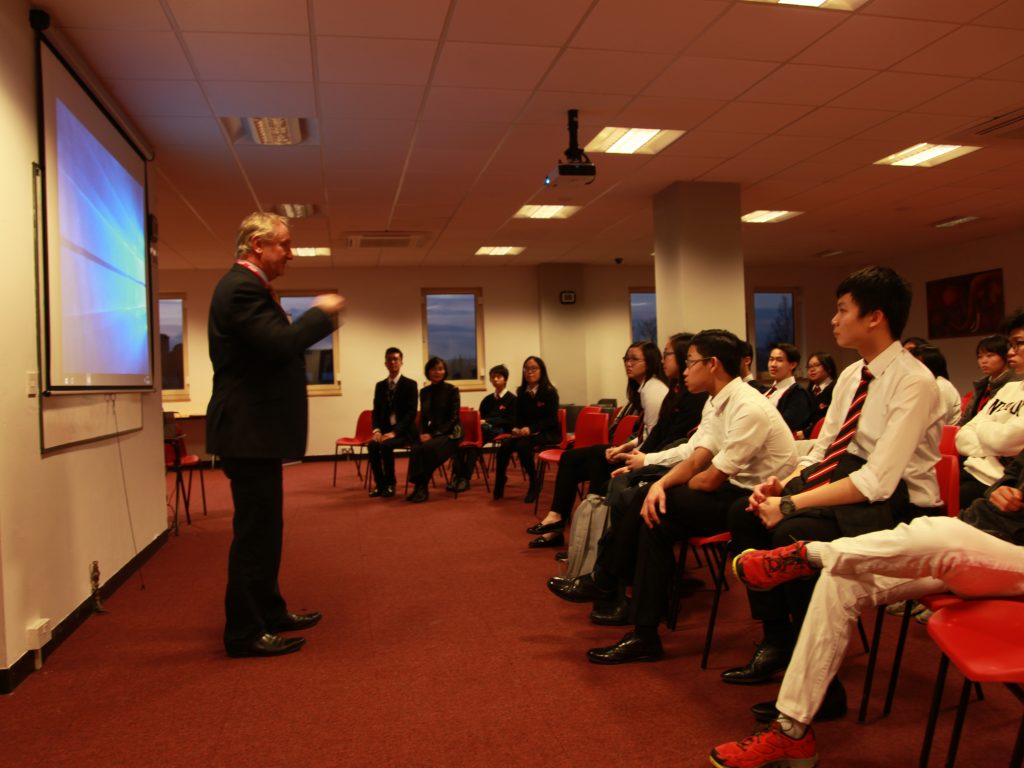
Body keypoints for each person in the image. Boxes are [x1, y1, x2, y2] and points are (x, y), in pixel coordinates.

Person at [724, 266, 944, 721]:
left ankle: (822, 688)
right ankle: (778, 643)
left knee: (794, 534)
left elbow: (878, 482)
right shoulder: (853, 376)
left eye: (842, 310)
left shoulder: (914, 382)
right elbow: (826, 450)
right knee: (744, 514)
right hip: (850, 480)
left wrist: (789, 503)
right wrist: (781, 484)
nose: (833, 319)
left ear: (875, 317)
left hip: (900, 506)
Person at [709, 451, 1024, 768]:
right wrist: (999, 490)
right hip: (975, 540)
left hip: (1013, 558)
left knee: (946, 534)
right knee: (841, 579)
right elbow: (1002, 482)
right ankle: (792, 732)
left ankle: (810, 555)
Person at [548, 330, 799, 664]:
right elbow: (696, 458)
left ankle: (605, 580)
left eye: (691, 362)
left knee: (647, 504)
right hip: (730, 489)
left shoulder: (748, 406)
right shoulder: (717, 400)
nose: (684, 369)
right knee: (654, 516)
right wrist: (661, 486)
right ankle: (644, 633)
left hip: (754, 500)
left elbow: (709, 480)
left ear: (712, 365)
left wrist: (667, 489)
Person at [207, 212, 344, 658]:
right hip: (247, 432)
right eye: (283, 244)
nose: (290, 252)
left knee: (267, 530)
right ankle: (244, 633)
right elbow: (280, 344)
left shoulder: (249, 287)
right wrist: (320, 314)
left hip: (255, 433)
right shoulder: (240, 288)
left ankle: (269, 611)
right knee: (255, 534)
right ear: (256, 245)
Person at [526, 342, 667, 549]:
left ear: (651, 362)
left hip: (648, 461)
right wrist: (622, 448)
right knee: (570, 459)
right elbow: (646, 435)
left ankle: (588, 541)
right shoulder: (643, 388)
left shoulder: (653, 390)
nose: (628, 364)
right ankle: (556, 522)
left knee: (596, 458)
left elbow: (654, 440)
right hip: (639, 452)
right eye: (626, 359)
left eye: (634, 359)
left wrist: (627, 453)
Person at [956, 310, 1024, 508]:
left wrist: (983, 425)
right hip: (971, 470)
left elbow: (1005, 439)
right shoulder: (1009, 388)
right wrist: (993, 445)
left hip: (1000, 485)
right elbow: (962, 436)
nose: (1011, 352)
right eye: (1010, 345)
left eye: (1018, 343)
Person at [493, 357, 560, 503]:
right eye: (526, 369)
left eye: (534, 369)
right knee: (505, 446)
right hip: (527, 433)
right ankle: (500, 481)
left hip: (547, 432)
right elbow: (519, 416)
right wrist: (516, 428)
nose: (529, 372)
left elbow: (551, 420)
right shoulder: (522, 392)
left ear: (541, 371)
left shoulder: (549, 392)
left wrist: (531, 429)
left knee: (523, 446)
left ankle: (534, 482)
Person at [449, 365, 516, 492]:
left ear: (505, 379)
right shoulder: (487, 399)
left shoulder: (512, 399)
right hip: (484, 429)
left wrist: (489, 421)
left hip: (501, 429)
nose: (495, 379)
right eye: (493, 377)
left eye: (499, 377)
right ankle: (458, 477)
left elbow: (511, 421)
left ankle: (464, 479)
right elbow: (480, 417)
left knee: (474, 444)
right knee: (460, 441)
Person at [406, 357, 461, 503]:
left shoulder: (452, 390)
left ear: (445, 371)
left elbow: (453, 419)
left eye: (440, 369)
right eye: (434, 369)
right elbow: (423, 417)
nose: (437, 372)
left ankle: (422, 487)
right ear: (428, 371)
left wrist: (433, 434)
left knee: (428, 449)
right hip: (432, 432)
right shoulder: (424, 392)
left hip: (451, 432)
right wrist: (423, 433)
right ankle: (418, 486)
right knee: (416, 448)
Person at [366, 348, 418, 498]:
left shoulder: (410, 384)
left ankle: (390, 484)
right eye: (390, 359)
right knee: (373, 445)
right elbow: (375, 411)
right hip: (385, 431)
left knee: (386, 445)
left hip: (405, 431)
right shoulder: (380, 386)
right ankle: (380, 484)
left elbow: (411, 413)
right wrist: (376, 430)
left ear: (401, 362)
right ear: (385, 363)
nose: (393, 362)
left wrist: (395, 432)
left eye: (396, 359)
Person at [959, 334, 1020, 426]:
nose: (983, 361)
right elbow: (966, 418)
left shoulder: (1015, 383)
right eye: (980, 356)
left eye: (989, 355)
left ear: (1005, 356)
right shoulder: (983, 384)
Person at [764, 343, 814, 435]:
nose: (773, 364)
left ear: (793, 365)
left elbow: (784, 428)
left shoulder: (798, 394)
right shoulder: (768, 391)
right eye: (771, 359)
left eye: (779, 360)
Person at [910, 344, 961, 425]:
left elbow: (935, 422)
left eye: (919, 365)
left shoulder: (941, 387)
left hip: (945, 435)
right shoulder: (923, 385)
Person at [804, 352, 837, 431]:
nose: (812, 369)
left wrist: (806, 433)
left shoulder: (836, 388)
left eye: (817, 365)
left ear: (829, 368)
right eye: (809, 366)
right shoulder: (807, 391)